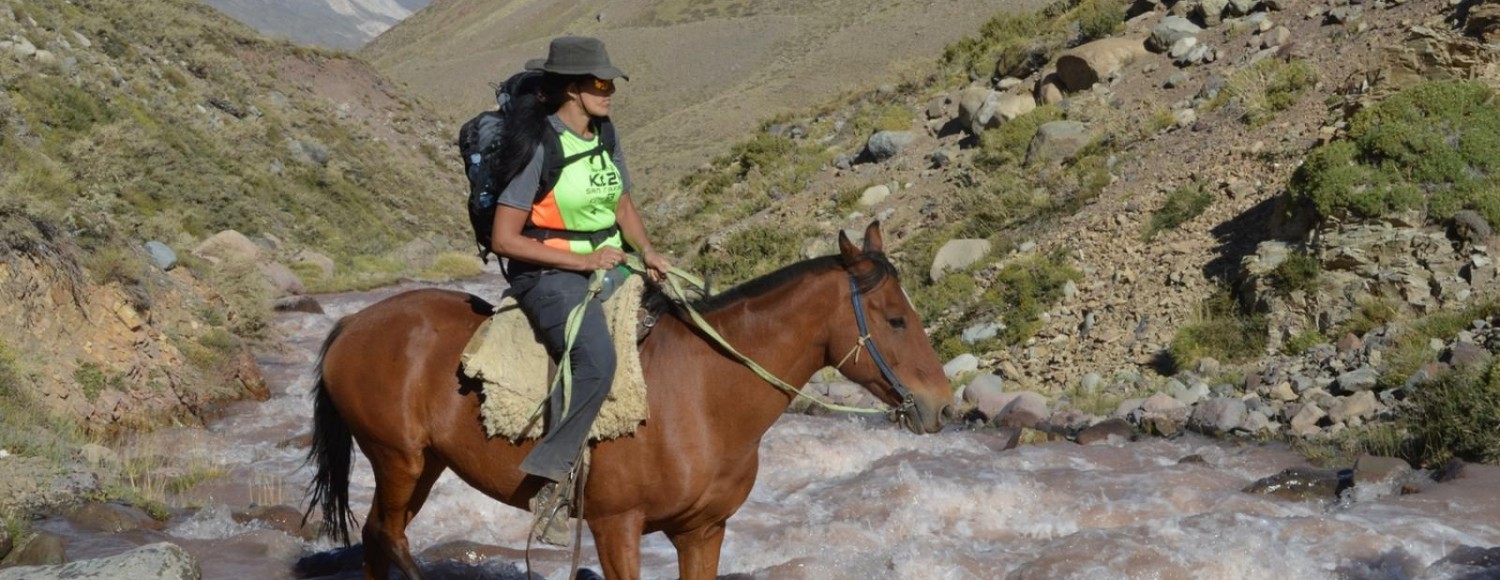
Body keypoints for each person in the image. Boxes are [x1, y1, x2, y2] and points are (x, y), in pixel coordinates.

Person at [487, 36, 671, 508]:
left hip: (613, 261)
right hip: (549, 275)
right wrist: (583, 261)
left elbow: (623, 203)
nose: (610, 90)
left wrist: (647, 250)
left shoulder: (606, 134)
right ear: (572, 88)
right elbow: (504, 239)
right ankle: (552, 480)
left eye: (610, 82)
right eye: (600, 82)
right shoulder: (537, 146)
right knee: (596, 363)